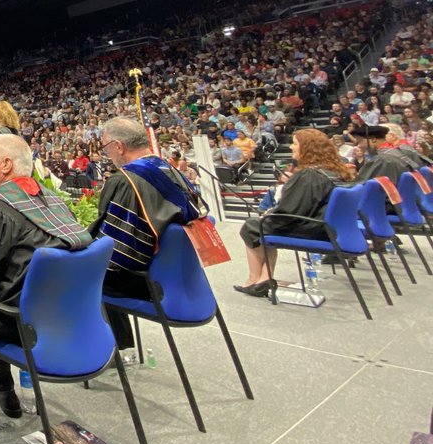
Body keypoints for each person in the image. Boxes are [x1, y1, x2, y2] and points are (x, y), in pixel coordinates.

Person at [0, 134, 91, 418]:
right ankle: (2, 384)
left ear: (6, 164)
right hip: (64, 316)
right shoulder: (52, 199)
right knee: (3, 282)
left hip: (17, 323)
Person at [91, 117, 205, 348]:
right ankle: (120, 345)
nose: (106, 154)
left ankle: (99, 350)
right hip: (182, 277)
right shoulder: (170, 170)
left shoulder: (125, 181)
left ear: (119, 146)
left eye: (105, 147)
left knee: (84, 273)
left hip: (146, 281)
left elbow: (117, 252)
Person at [234, 128, 356, 295]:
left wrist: (269, 214)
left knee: (253, 226)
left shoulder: (310, 175)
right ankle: (263, 279)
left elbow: (291, 210)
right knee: (264, 225)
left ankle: (254, 280)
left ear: (308, 148)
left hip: (315, 229)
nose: (291, 147)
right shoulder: (336, 171)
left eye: (295, 143)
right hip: (333, 228)